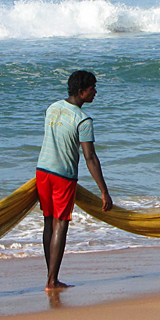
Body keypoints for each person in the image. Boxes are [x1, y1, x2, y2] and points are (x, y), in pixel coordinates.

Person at [36, 70, 112, 290]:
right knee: (61, 224)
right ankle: (52, 280)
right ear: (82, 92)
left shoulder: (52, 108)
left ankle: (49, 275)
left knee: (48, 222)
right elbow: (90, 158)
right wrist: (104, 191)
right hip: (63, 176)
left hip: (42, 171)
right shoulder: (83, 120)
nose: (95, 92)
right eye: (92, 89)